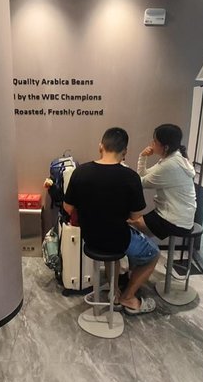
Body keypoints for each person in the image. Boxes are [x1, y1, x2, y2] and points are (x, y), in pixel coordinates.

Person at [63, 127, 160, 315]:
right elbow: (135, 217)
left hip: (90, 239)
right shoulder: (131, 177)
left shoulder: (80, 172)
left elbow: (68, 208)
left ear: (101, 146)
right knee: (153, 254)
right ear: (125, 152)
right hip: (118, 240)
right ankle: (128, 297)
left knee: (113, 249)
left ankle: (114, 292)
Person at [130, 124, 197, 240]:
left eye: (155, 141)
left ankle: (146, 249)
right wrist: (143, 156)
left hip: (176, 221)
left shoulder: (170, 165)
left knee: (133, 221)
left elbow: (140, 183)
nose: (152, 143)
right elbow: (143, 175)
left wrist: (122, 174)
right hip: (180, 216)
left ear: (165, 147)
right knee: (135, 221)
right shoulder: (174, 158)